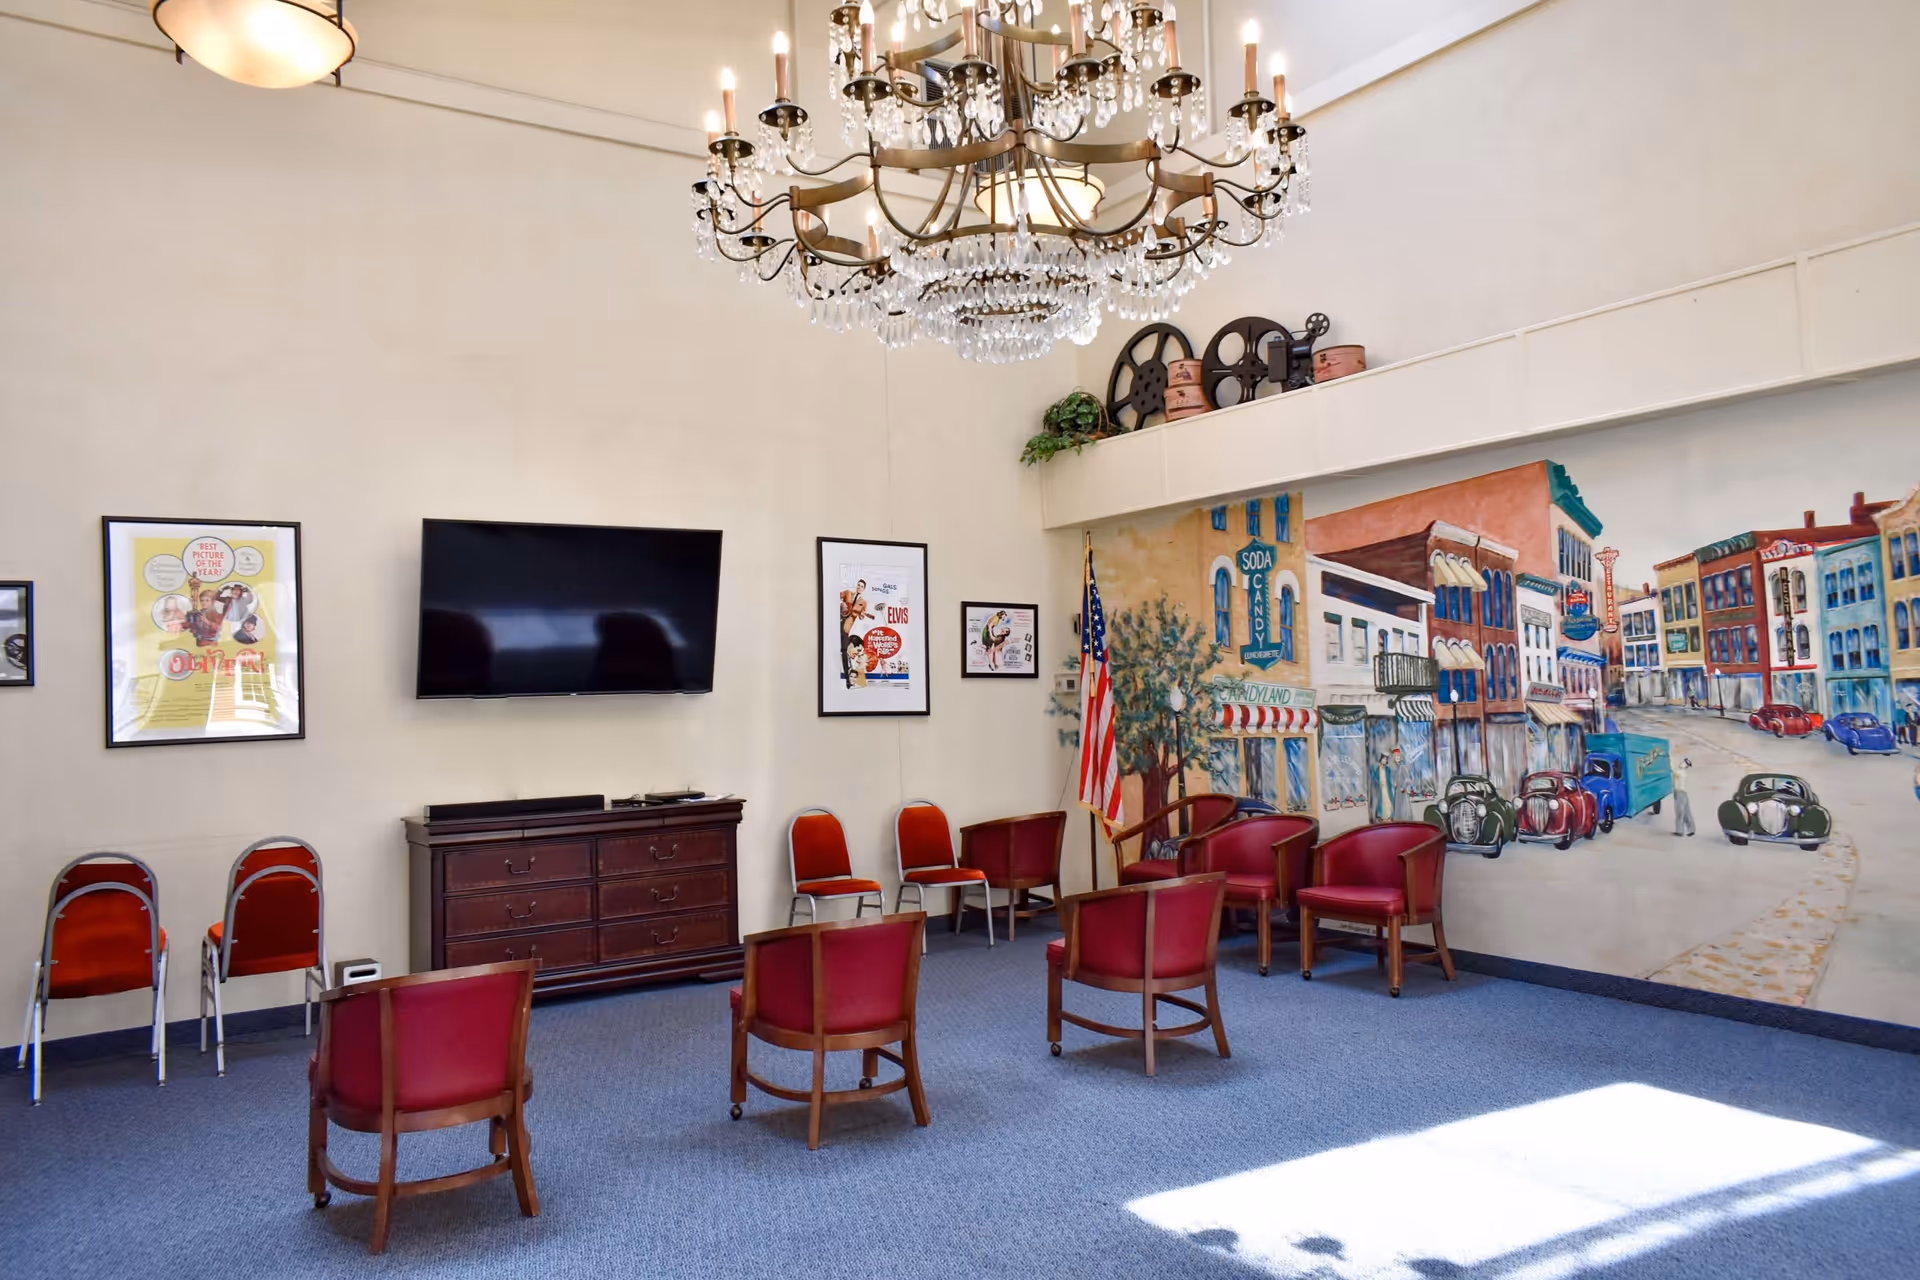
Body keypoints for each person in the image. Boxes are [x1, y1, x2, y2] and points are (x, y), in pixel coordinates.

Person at [1672, 755, 1696, 837]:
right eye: (1682, 762)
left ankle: (1679, 831)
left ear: (1686, 766)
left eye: (1684, 763)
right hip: (1681, 793)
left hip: (1680, 793)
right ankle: (1691, 829)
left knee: (1680, 812)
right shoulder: (1681, 772)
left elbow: (1673, 771)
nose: (1682, 763)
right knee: (1686, 812)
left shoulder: (1681, 773)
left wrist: (1669, 759)